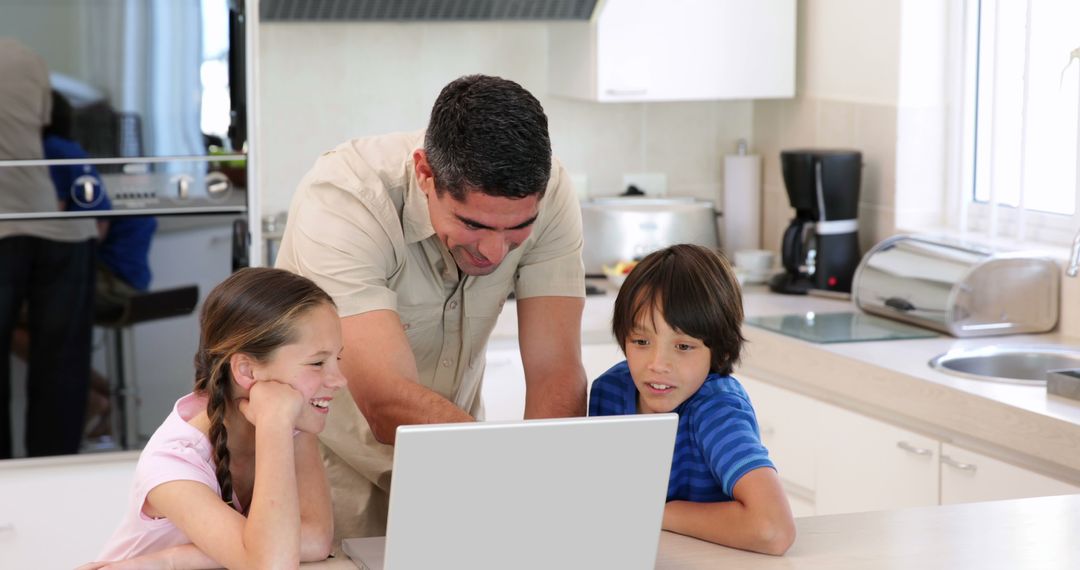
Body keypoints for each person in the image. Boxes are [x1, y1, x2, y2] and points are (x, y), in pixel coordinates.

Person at [275, 74, 588, 540]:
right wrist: (509, 469)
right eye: (474, 224)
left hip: (457, 464)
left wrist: (537, 491)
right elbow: (385, 398)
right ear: (425, 174)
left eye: (517, 229)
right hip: (326, 474)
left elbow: (557, 373)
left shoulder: (552, 194)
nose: (496, 252)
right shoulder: (345, 199)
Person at [80, 268, 343, 568]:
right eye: (318, 362)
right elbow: (271, 564)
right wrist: (274, 424)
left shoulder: (295, 426)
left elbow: (317, 539)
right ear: (246, 371)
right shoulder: (172, 462)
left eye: (338, 358)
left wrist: (172, 560)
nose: (339, 380)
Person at [588, 244, 796, 555]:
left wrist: (653, 512)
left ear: (722, 351)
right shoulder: (609, 391)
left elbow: (773, 529)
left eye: (683, 346)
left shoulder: (716, 409)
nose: (658, 363)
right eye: (641, 341)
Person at [0, 37, 97, 458]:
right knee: (61, 365)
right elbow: (42, 125)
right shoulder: (26, 55)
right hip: (58, 228)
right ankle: (54, 478)